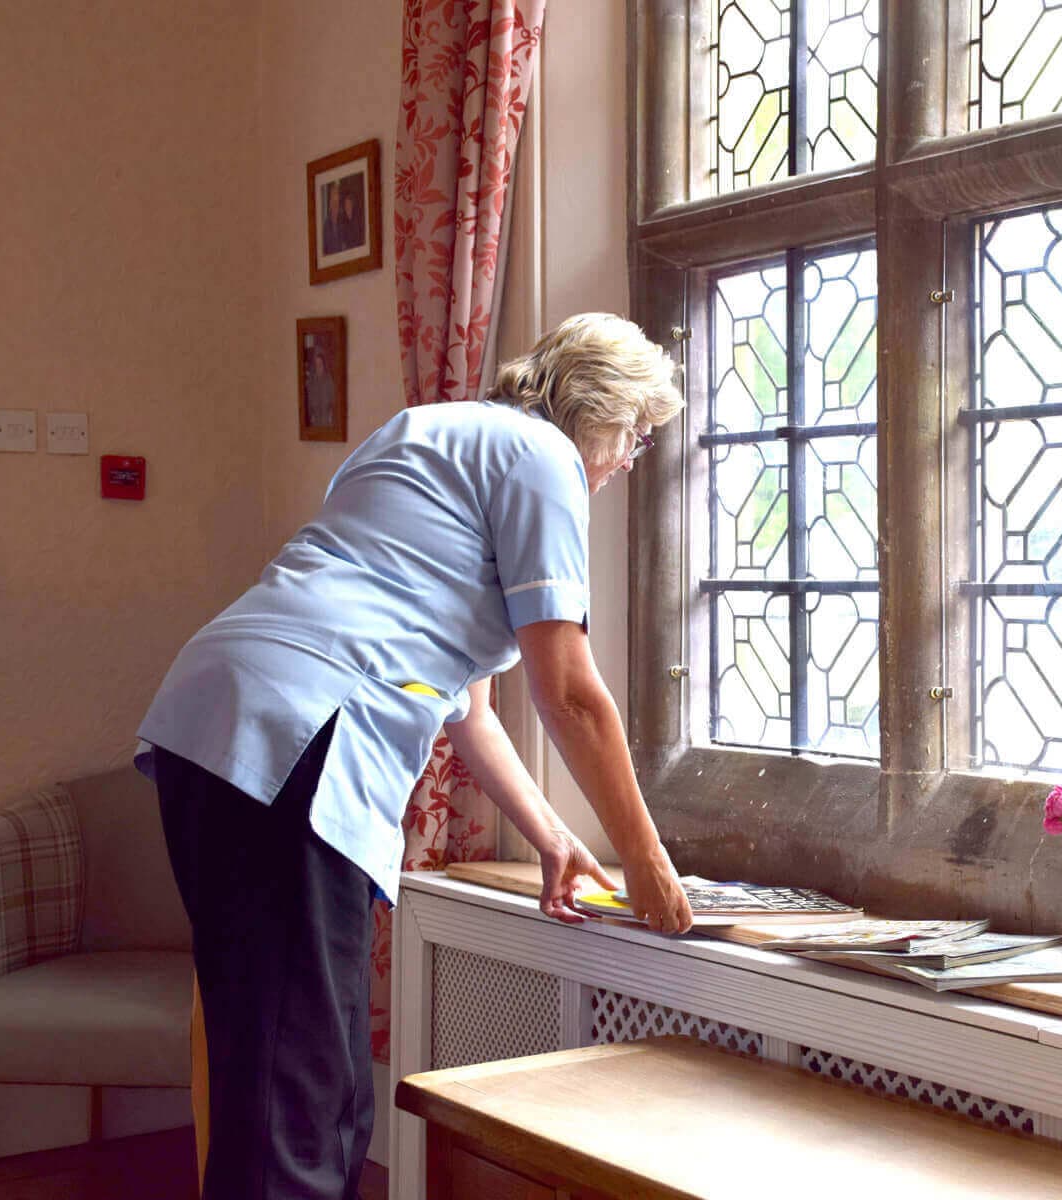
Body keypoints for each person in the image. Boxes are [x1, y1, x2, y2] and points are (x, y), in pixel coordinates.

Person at [137, 313, 693, 1200]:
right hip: (300, 738)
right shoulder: (544, 459)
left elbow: (467, 707)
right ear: (596, 408)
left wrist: (550, 836)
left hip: (211, 725)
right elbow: (571, 692)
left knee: (292, 1076)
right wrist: (646, 860)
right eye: (635, 432)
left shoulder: (425, 430)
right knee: (296, 1104)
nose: (630, 458)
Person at [304, 344, 335, 428]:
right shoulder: (311, 382)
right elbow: (309, 401)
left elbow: (333, 399)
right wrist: (311, 415)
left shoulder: (329, 379)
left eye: (320, 364)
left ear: (323, 364)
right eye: (317, 364)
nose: (319, 367)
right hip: (315, 420)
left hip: (327, 419)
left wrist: (331, 415)